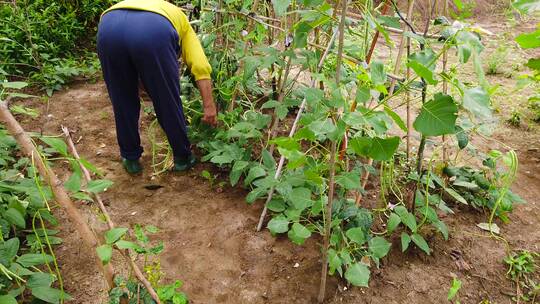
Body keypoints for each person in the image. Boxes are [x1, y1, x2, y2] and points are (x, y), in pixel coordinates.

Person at [97, 0, 217, 174]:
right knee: (167, 99)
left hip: (108, 26)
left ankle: (130, 158)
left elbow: (131, 66)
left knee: (122, 99)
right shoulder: (179, 18)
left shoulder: (127, 5)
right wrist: (209, 105)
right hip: (154, 29)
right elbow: (200, 65)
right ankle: (183, 158)